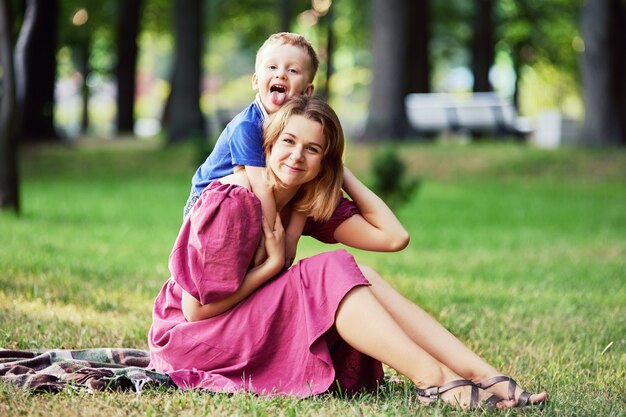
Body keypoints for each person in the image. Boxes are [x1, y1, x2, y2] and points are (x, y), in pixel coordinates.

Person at [149, 95, 548, 410]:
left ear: (326, 161)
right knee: (332, 267)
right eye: (287, 141)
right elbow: (196, 310)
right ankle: (435, 380)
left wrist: (342, 171)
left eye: (313, 149)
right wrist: (272, 265)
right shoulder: (235, 201)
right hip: (193, 338)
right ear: (266, 145)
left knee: (362, 274)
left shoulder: (302, 203)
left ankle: (482, 374)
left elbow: (393, 236)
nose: (296, 156)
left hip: (241, 322)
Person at [184, 32, 317, 268]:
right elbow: (261, 186)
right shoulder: (248, 125)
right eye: (272, 67)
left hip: (252, 202)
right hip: (209, 203)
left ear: (307, 91)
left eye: (293, 70)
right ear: (256, 81)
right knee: (248, 184)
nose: (280, 74)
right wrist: (273, 237)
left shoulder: (299, 130)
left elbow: (304, 187)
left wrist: (291, 239)